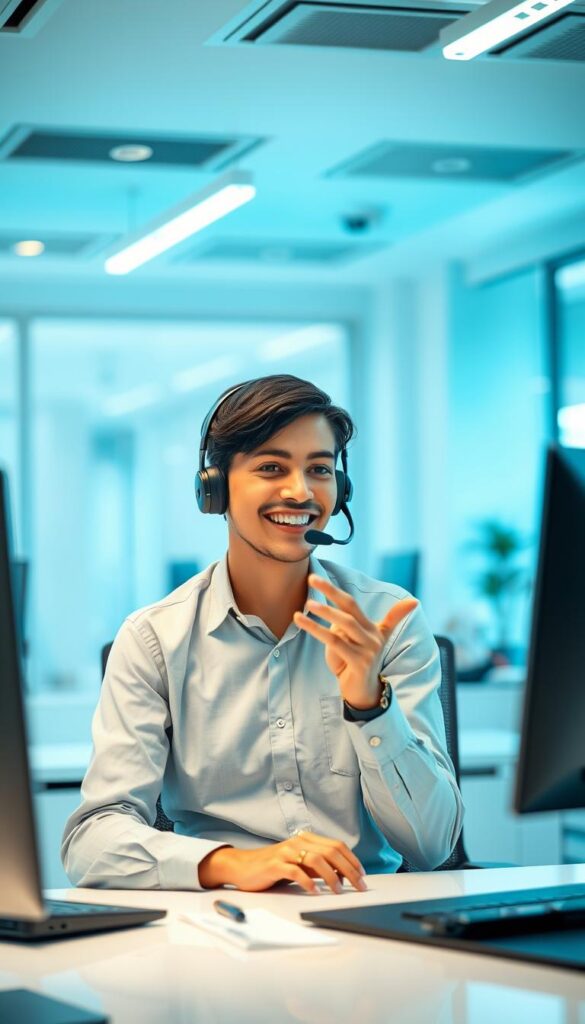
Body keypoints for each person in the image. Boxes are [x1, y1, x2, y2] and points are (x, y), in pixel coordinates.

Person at [62, 375, 463, 895]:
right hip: (217, 923)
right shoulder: (154, 639)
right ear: (215, 487)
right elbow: (92, 840)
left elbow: (431, 847)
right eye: (272, 467)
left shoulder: (390, 624)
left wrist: (370, 704)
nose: (300, 490)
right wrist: (233, 863)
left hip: (362, 910)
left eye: (320, 469)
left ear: (341, 490)